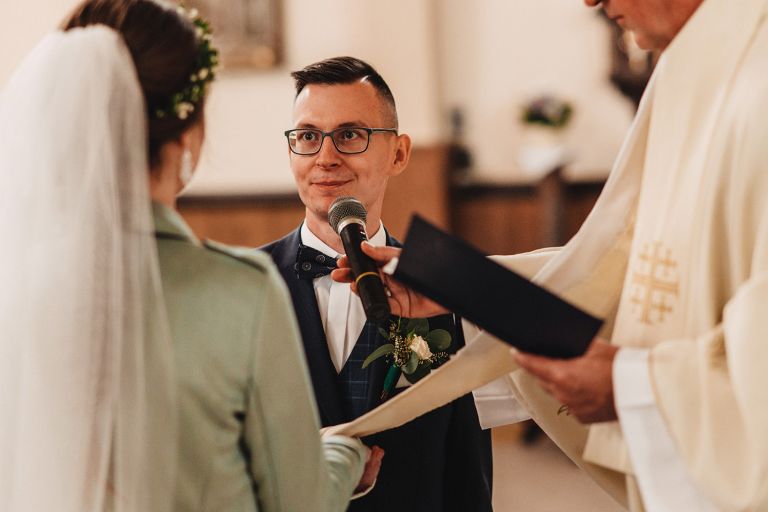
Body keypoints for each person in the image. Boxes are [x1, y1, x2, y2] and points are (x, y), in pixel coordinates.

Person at [336, 0, 768, 510]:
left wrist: (633, 385)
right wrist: (463, 288)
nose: (590, 2)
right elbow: (634, 269)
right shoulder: (685, 65)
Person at [0, 1, 375, 510]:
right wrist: (343, 455)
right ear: (187, 136)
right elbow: (298, 501)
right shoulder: (241, 291)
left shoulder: (15, 286)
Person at [261, 57, 494, 512]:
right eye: (308, 137)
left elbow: (465, 463)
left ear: (399, 154)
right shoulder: (248, 287)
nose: (326, 157)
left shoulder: (442, 288)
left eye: (350, 135)